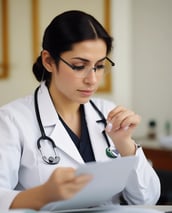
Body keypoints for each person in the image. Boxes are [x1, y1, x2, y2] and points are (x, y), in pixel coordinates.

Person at [0, 10, 160, 210]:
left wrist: (126, 145)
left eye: (99, 66)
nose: (92, 80)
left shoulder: (108, 113)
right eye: (78, 66)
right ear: (48, 61)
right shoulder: (11, 120)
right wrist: (42, 195)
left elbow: (148, 200)